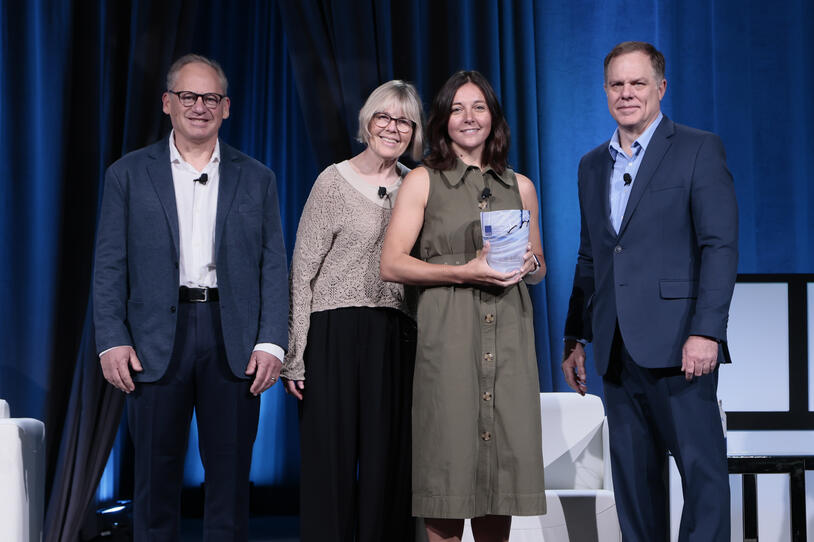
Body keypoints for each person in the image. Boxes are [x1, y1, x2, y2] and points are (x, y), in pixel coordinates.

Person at [93, 54, 288, 542]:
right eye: (188, 96)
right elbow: (109, 265)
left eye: (210, 98)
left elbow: (274, 266)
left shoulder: (257, 177)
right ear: (167, 103)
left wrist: (271, 342)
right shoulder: (128, 175)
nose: (199, 106)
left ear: (226, 108)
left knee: (229, 480)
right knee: (154, 483)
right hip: (156, 339)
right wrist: (111, 339)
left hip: (234, 337)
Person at [562, 41, 738, 541]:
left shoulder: (698, 148)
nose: (627, 93)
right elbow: (591, 255)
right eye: (617, 84)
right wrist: (575, 336)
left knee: (703, 483)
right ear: (604, 91)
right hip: (616, 349)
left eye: (638, 83)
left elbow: (719, 246)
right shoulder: (591, 164)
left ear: (660, 88)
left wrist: (707, 331)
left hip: (681, 347)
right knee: (635, 493)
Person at [381, 70, 546, 542]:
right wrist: (462, 271)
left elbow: (539, 268)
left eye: (478, 107)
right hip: (449, 336)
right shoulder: (424, 181)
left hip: (510, 336)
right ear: (442, 120)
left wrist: (530, 262)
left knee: (501, 482)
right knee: (447, 475)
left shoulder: (521, 185)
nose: (469, 117)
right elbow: (391, 264)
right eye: (457, 108)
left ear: (493, 117)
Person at [281, 80, 423, 542]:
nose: (393, 127)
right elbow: (302, 271)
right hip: (333, 333)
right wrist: (295, 354)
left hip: (393, 335)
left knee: (388, 465)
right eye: (385, 117)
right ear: (367, 121)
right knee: (331, 465)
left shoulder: (416, 186)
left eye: (404, 121)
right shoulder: (332, 181)